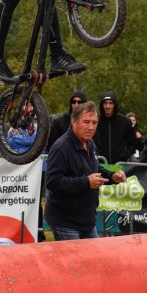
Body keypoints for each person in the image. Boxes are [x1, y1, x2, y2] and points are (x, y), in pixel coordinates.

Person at [44, 101, 127, 240]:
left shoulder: (90, 143)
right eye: (86, 122)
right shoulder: (61, 147)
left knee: (93, 260)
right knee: (73, 262)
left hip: (87, 220)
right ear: (73, 121)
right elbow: (52, 182)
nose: (91, 127)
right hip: (65, 222)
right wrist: (86, 182)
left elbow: (94, 168)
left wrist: (113, 176)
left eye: (94, 123)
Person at [94, 91, 135, 164]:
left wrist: (124, 156)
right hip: (100, 164)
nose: (108, 106)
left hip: (119, 165)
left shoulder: (125, 122)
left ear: (115, 104)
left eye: (111, 103)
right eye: (105, 103)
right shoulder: (95, 121)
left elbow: (133, 143)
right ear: (101, 105)